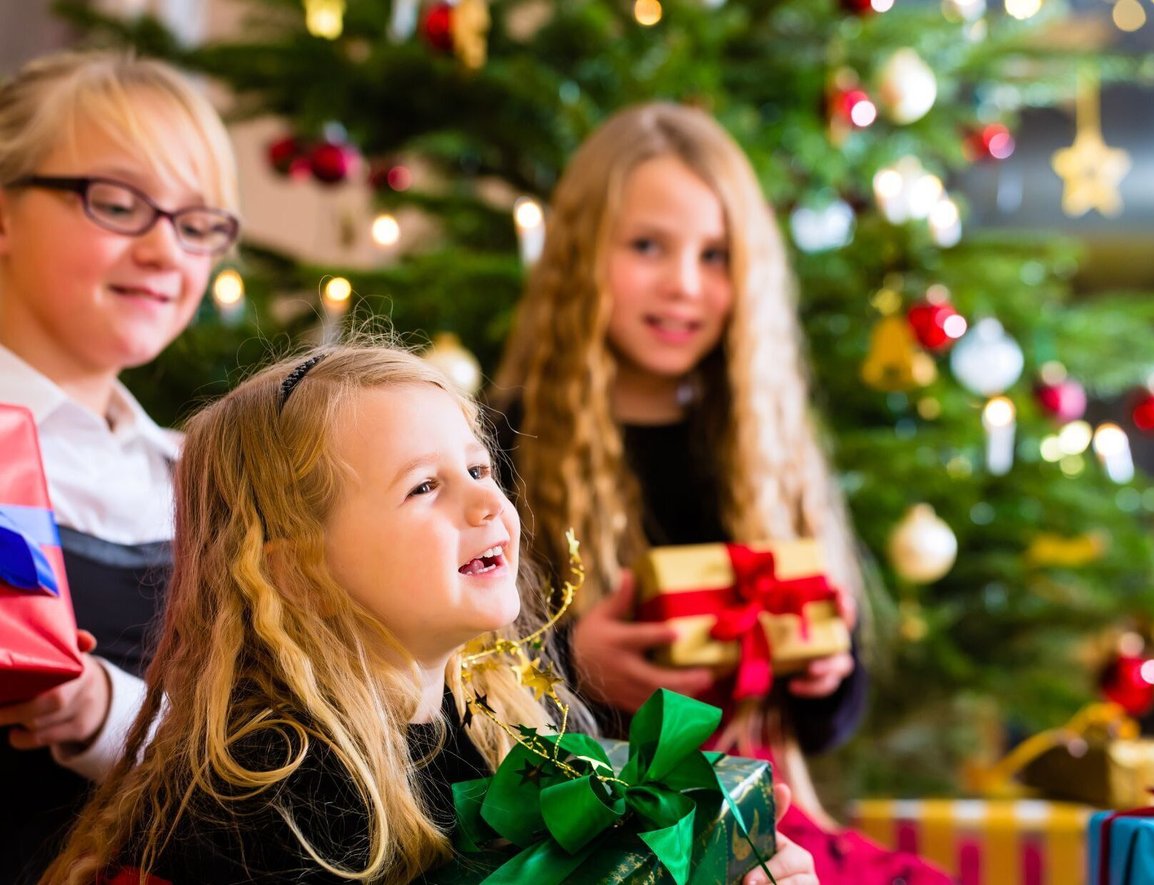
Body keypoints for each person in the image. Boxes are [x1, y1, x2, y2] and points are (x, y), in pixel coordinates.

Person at [44, 344, 819, 885]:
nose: (487, 500)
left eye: (479, 467)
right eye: (424, 486)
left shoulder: (511, 734)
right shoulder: (266, 797)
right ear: (299, 572)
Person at [491, 102, 951, 884]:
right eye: (647, 246)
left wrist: (826, 671)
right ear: (579, 255)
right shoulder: (504, 447)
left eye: (715, 255)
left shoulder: (764, 441)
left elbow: (830, 719)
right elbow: (462, 685)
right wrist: (574, 663)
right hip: (601, 839)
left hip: (768, 823)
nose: (683, 285)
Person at [0, 50, 240, 883]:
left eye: (197, 223)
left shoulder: (195, 477)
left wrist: (104, 710)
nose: (166, 250)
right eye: (118, 203)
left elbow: (253, 750)